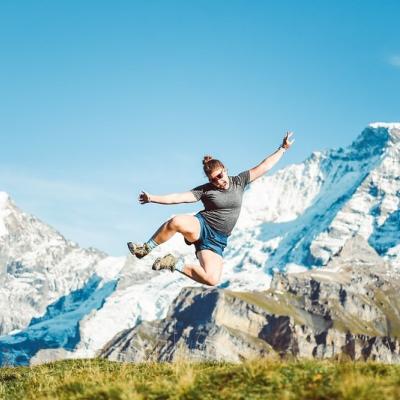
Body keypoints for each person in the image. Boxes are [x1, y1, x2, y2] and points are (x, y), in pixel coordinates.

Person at [128, 132, 294, 286]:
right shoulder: (205, 190)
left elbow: (264, 166)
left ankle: (173, 263)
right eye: (213, 180)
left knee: (212, 279)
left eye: (220, 176)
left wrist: (283, 149)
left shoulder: (239, 181)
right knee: (176, 221)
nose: (218, 181)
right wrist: (152, 198)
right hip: (202, 226)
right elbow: (178, 198)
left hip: (216, 241)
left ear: (225, 169)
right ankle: (145, 249)